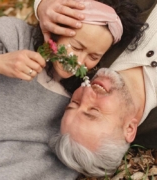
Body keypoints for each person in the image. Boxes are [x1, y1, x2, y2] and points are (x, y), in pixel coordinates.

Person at [0, 0, 145, 179]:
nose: (80, 61)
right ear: (56, 31)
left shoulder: (78, 96)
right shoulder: (12, 37)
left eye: (94, 56)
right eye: (77, 47)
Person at [49, 3, 157, 178]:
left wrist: (44, 6)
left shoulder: (91, 48)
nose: (86, 93)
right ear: (129, 128)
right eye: (93, 111)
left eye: (74, 103)